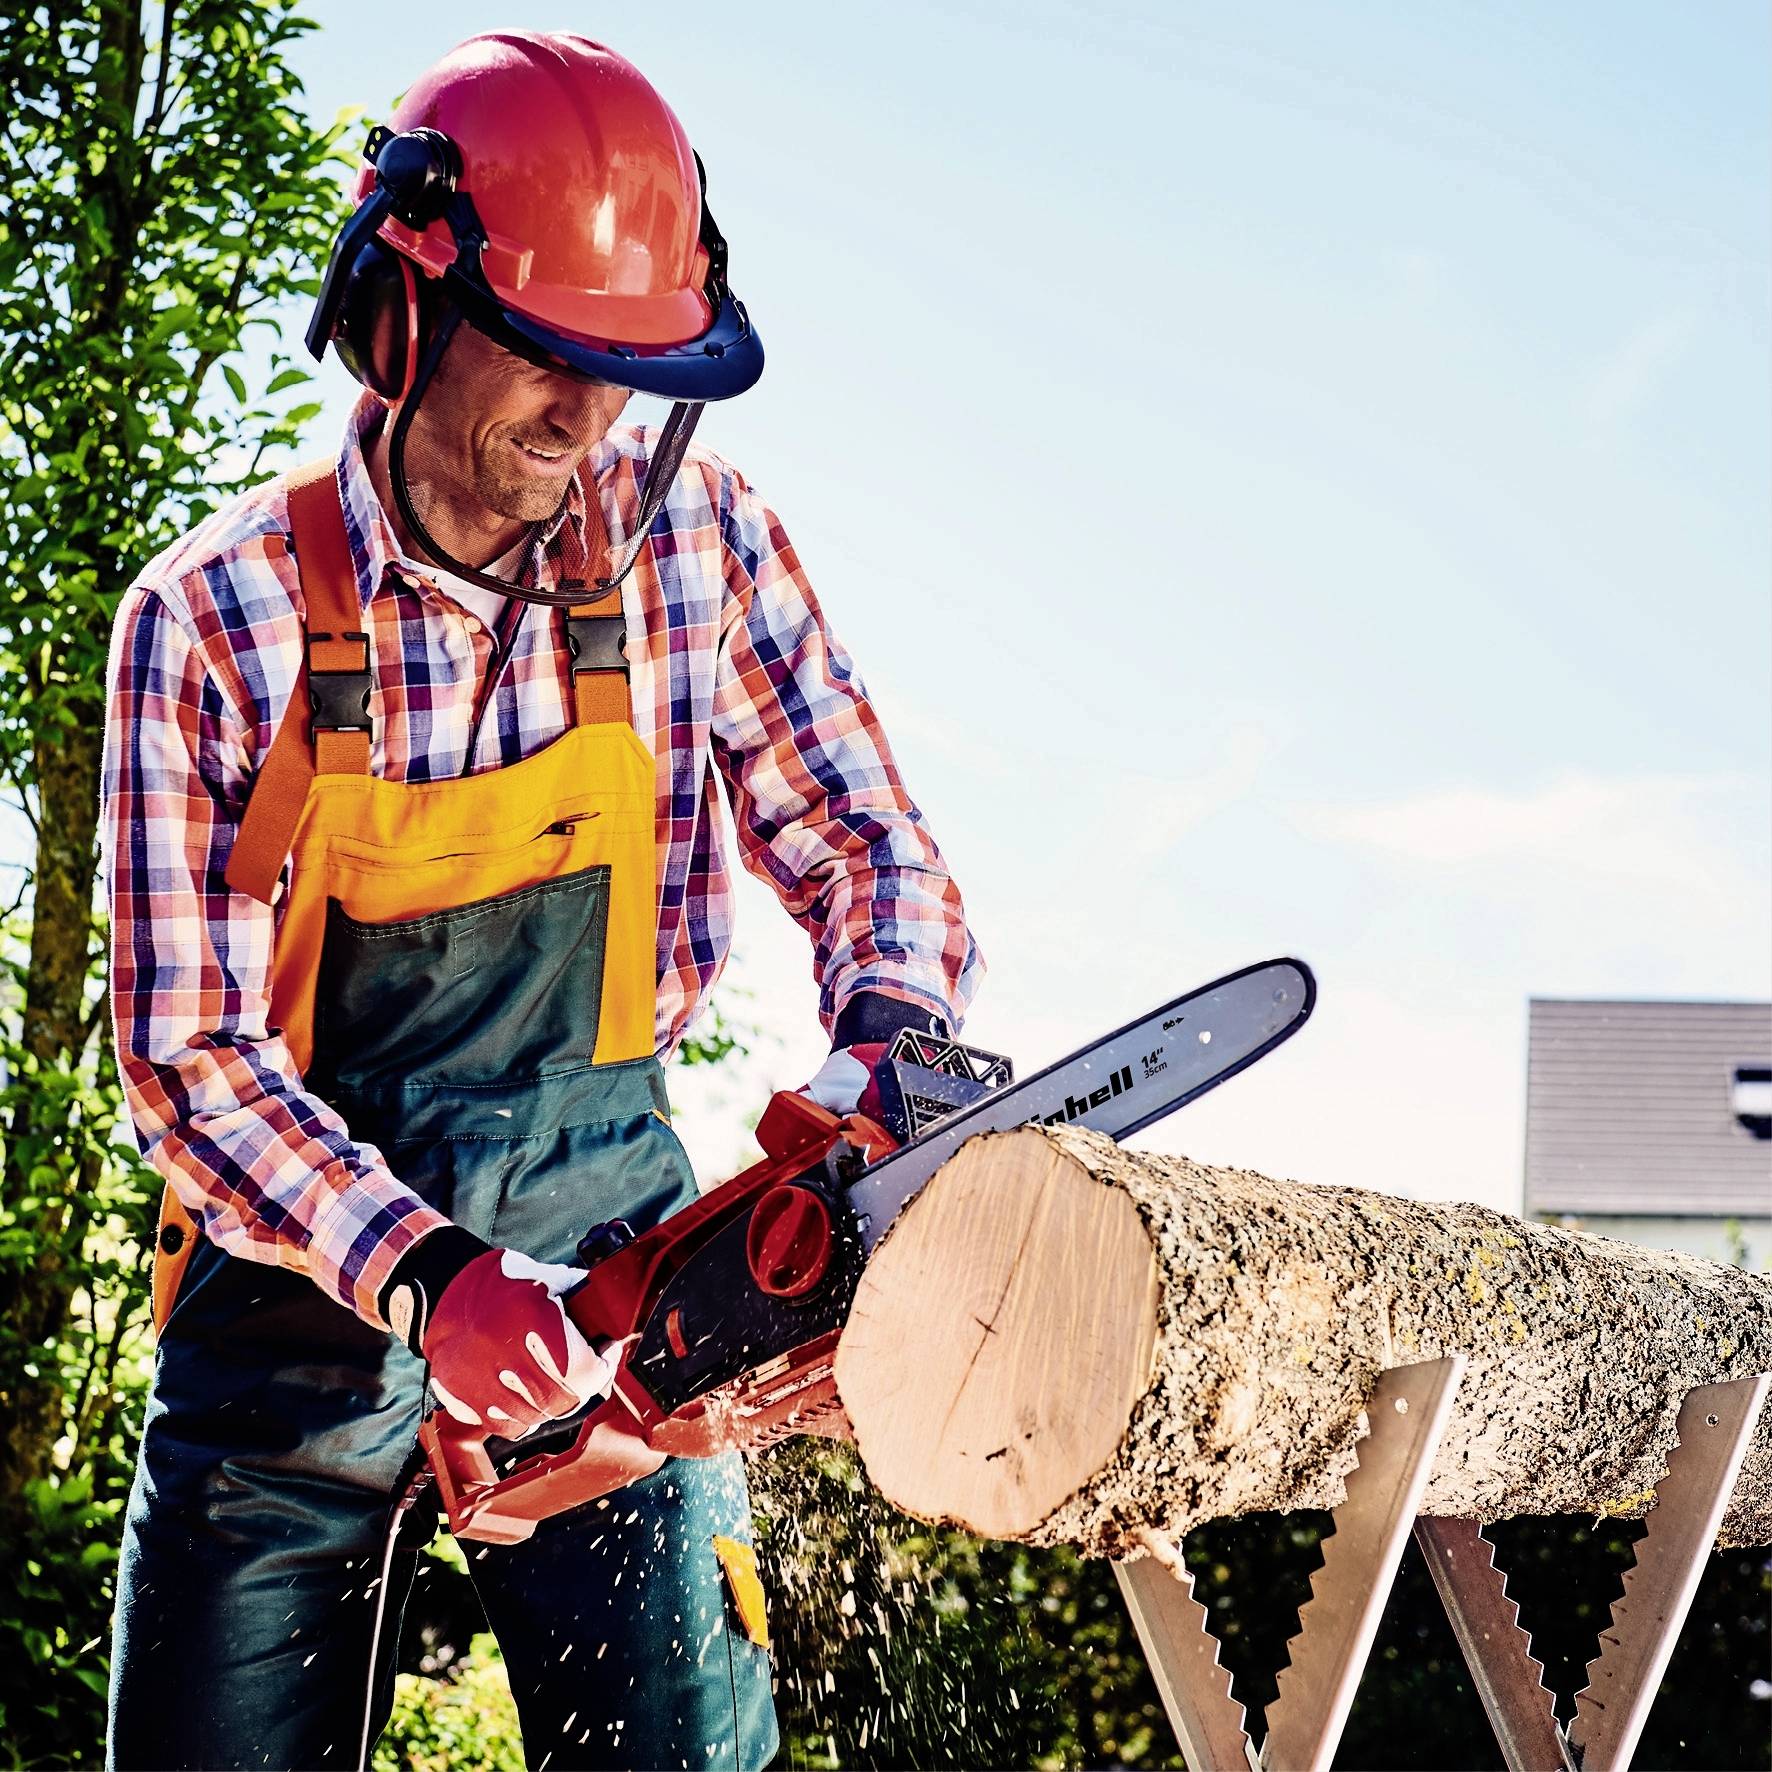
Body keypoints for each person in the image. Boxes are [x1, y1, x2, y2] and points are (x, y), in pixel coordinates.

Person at [100, 31, 979, 1771]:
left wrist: (893, 1045)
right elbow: (190, 1063)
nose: (588, 422)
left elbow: (872, 843)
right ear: (406, 316)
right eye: (546, 360)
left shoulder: (701, 550)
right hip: (293, 1318)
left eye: (627, 372)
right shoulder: (218, 620)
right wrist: (432, 1275)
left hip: (616, 1284)